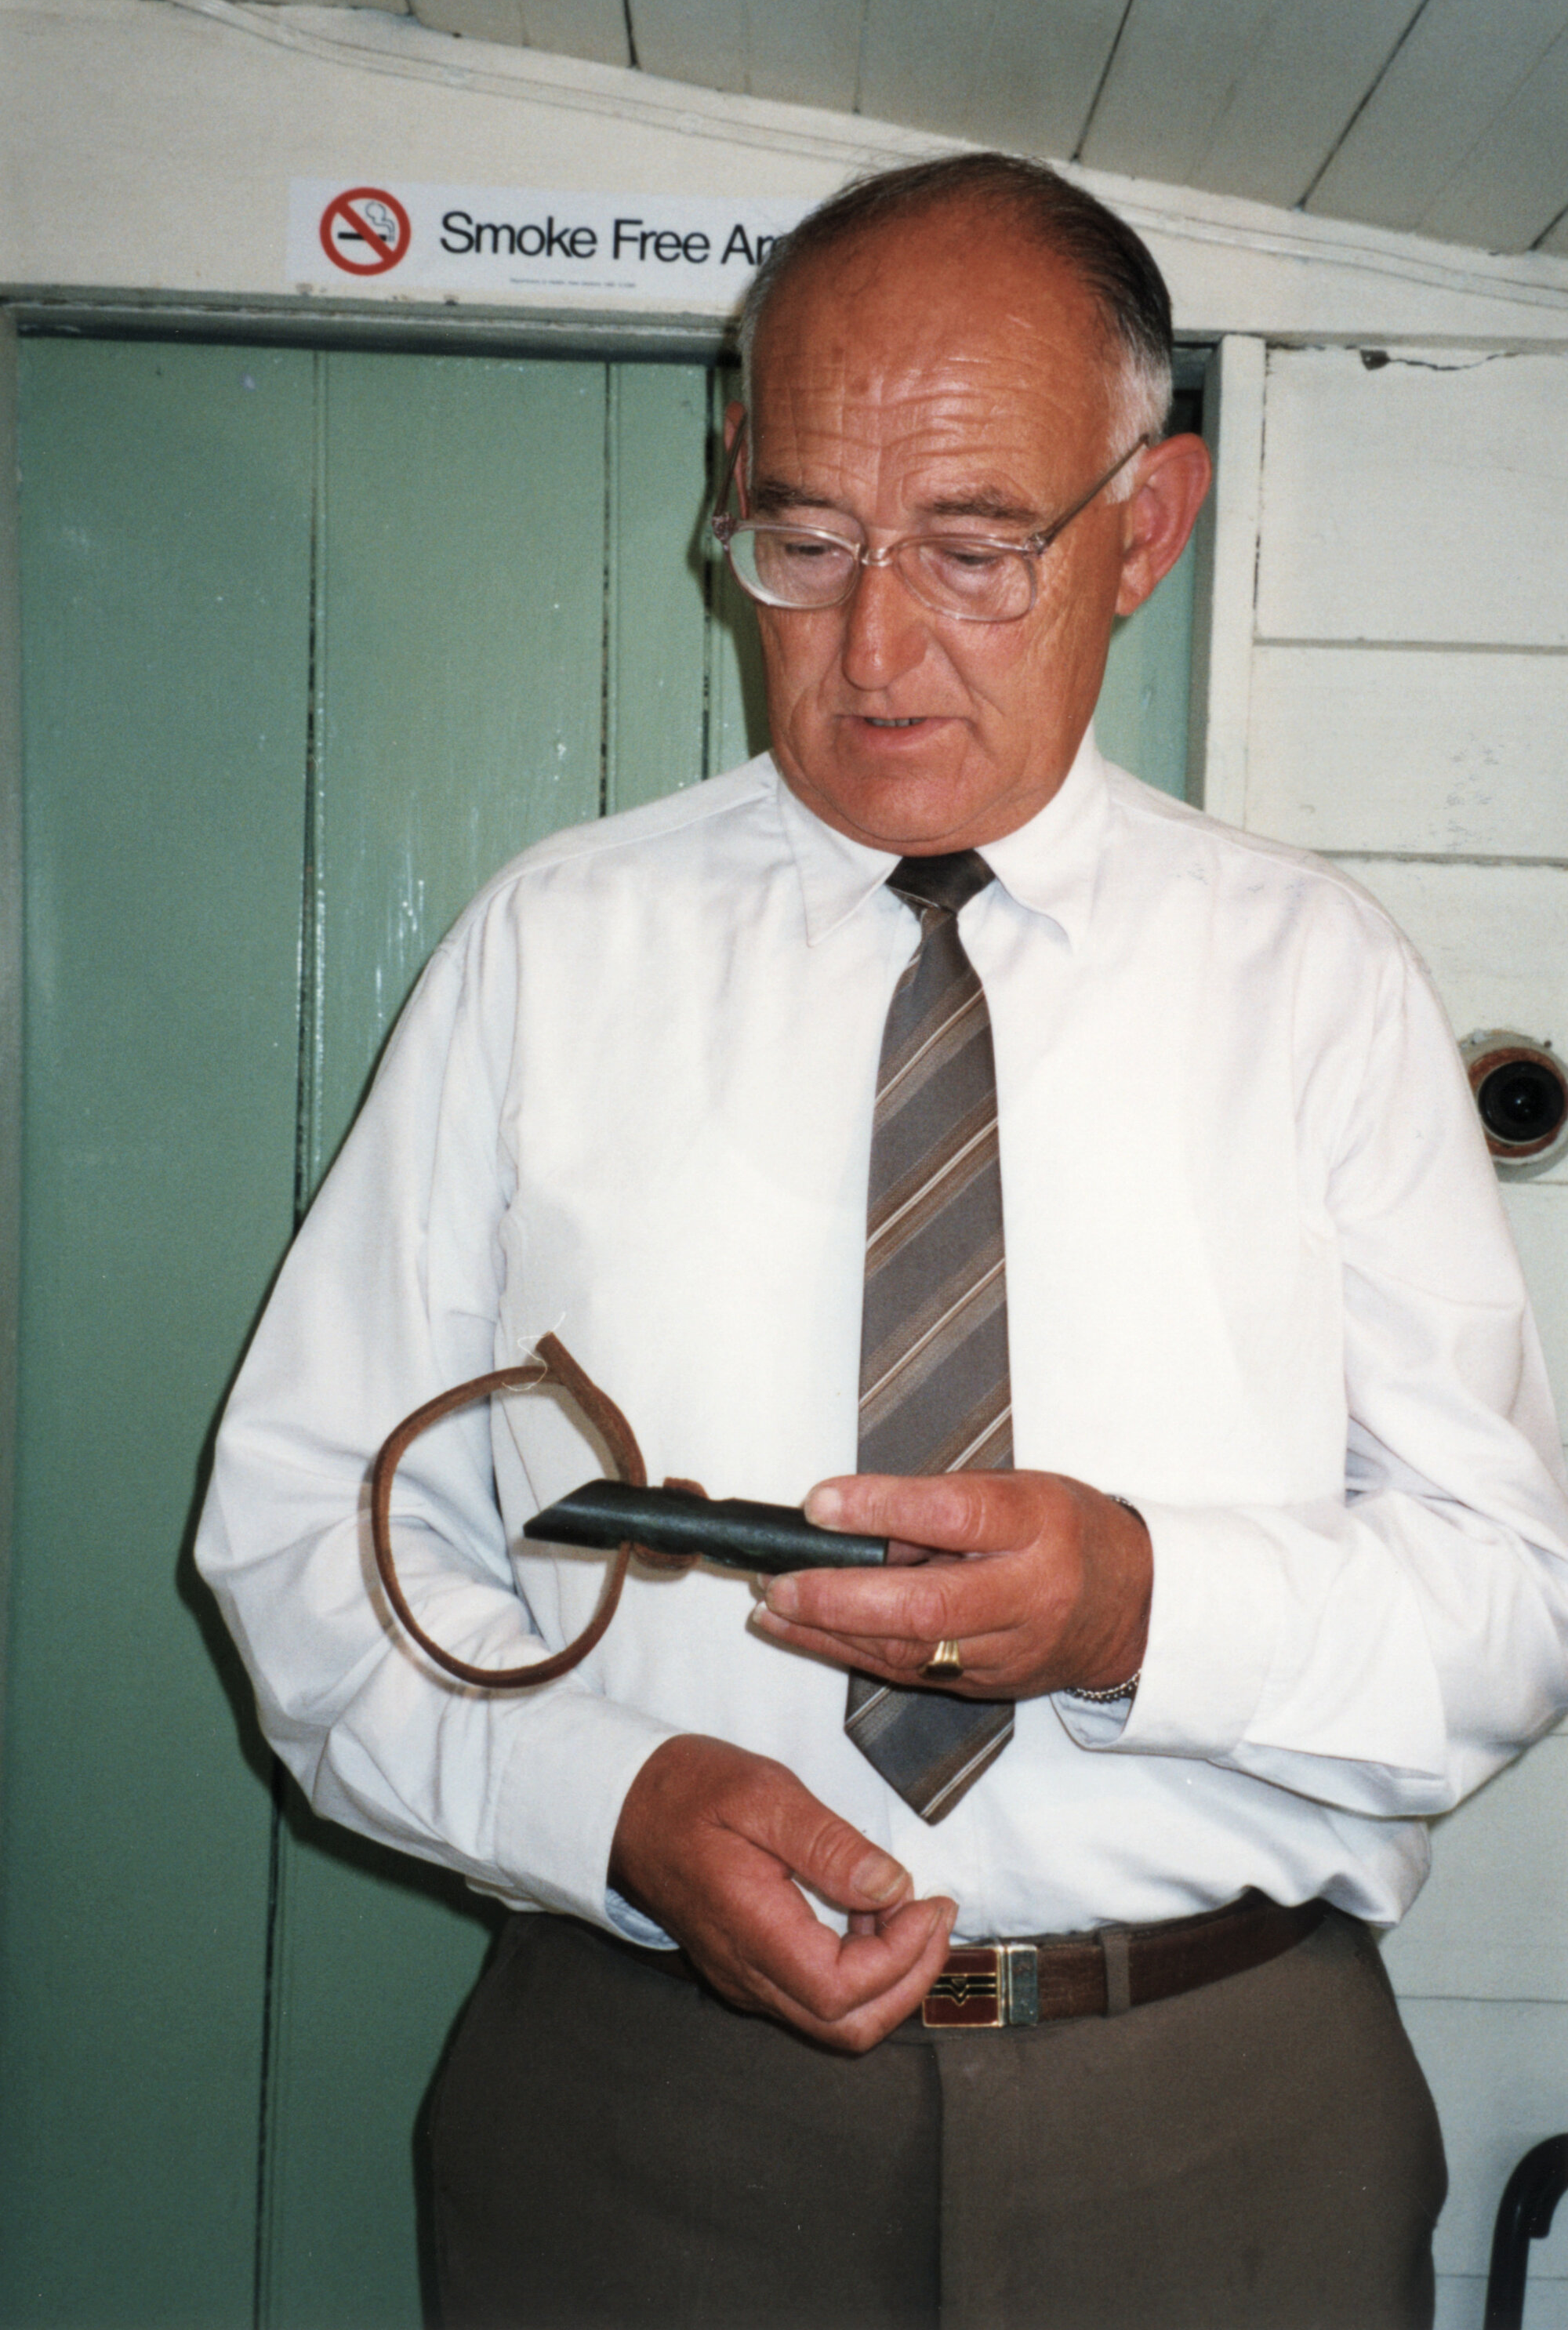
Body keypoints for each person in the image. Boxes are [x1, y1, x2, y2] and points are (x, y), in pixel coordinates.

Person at [197, 154, 1568, 2330]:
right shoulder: (553, 954)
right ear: (733, 483)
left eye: (976, 548)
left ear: (1152, 524)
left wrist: (1134, 1606)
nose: (873, 646)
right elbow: (301, 1534)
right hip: (641, 2126)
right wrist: (610, 1804)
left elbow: (1505, 1611)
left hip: (1222, 2126)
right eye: (807, 539)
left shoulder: (1319, 984)